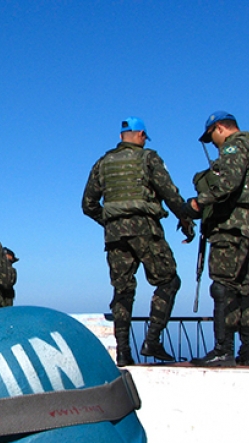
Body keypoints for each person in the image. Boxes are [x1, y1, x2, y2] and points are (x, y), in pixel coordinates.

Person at [82, 117, 195, 367]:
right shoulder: (148, 158)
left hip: (115, 236)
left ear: (121, 136)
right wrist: (186, 221)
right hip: (145, 229)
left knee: (122, 291)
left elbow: (88, 205)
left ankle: (123, 352)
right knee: (169, 281)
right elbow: (170, 194)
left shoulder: (102, 163)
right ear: (141, 135)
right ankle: (152, 340)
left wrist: (111, 222)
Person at [185, 111, 249, 367]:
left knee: (222, 287)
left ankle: (223, 350)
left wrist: (198, 203)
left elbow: (228, 183)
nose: (213, 143)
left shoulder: (234, 147)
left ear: (220, 128)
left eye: (211, 136)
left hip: (230, 226)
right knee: (243, 288)